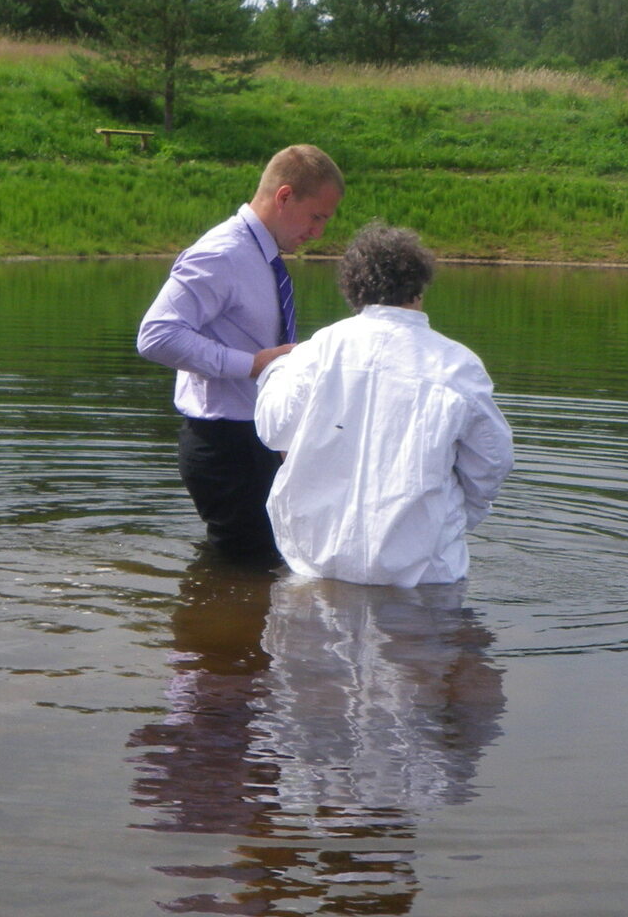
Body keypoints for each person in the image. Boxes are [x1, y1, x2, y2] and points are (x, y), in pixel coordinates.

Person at [255, 222, 512, 587]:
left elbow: (272, 430)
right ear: (419, 285)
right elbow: (493, 461)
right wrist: (458, 516)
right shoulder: (457, 365)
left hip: (315, 567)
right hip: (424, 575)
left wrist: (276, 369)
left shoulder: (315, 351)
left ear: (352, 286)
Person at [137, 144, 344, 561]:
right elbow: (156, 335)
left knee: (265, 566)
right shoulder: (222, 253)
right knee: (247, 573)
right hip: (226, 446)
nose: (318, 233)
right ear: (284, 197)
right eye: (316, 217)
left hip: (253, 440)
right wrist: (251, 365)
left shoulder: (258, 256)